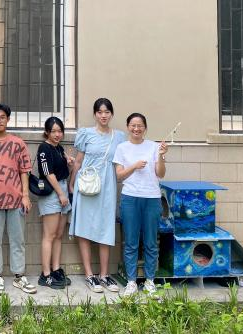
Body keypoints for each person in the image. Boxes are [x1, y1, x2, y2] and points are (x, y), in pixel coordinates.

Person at [0, 103, 36, 296]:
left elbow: (24, 171)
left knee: (18, 240)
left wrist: (25, 195)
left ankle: (19, 276)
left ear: (8, 119)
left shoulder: (18, 143)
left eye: (3, 117)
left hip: (16, 199)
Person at [69, 97, 125, 293]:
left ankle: (104, 275)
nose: (103, 115)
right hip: (86, 185)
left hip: (108, 187)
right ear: (95, 114)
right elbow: (78, 161)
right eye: (100, 112)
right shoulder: (85, 133)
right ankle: (89, 275)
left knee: (105, 228)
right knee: (84, 227)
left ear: (111, 114)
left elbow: (122, 161)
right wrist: (72, 182)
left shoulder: (119, 137)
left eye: (107, 112)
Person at [113, 113, 168, 297]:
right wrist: (134, 166)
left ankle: (150, 281)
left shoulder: (154, 146)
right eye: (133, 125)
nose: (136, 129)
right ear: (128, 127)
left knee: (151, 242)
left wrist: (161, 156)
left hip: (152, 198)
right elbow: (119, 175)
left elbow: (161, 174)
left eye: (140, 126)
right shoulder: (122, 148)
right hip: (130, 198)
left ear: (145, 128)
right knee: (131, 242)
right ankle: (131, 282)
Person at [36, 116, 74, 289]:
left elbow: (62, 169)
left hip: (63, 189)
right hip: (53, 192)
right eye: (54, 131)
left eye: (60, 131)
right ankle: (45, 275)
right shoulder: (44, 148)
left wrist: (69, 162)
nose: (57, 134)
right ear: (47, 132)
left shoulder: (59, 148)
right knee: (49, 235)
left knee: (59, 235)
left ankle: (56, 269)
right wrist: (60, 194)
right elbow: (48, 173)